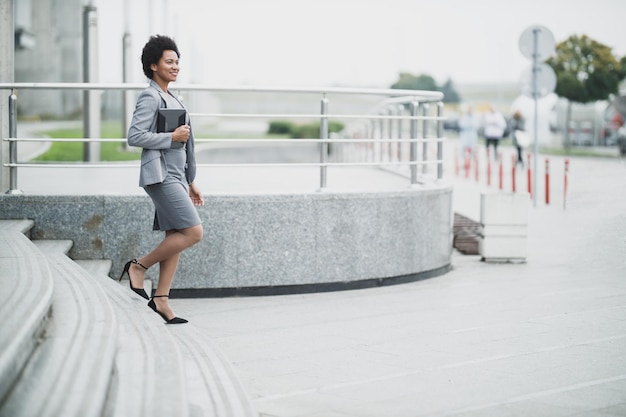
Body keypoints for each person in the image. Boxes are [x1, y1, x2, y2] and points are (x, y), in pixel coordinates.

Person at [121, 35, 204, 324]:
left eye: (177, 61)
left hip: (176, 176)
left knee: (176, 236)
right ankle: (138, 267)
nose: (175, 66)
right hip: (161, 176)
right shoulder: (150, 96)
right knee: (193, 232)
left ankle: (161, 300)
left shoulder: (172, 96)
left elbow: (185, 144)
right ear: (154, 65)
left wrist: (190, 180)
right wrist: (171, 136)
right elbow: (134, 136)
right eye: (169, 61)